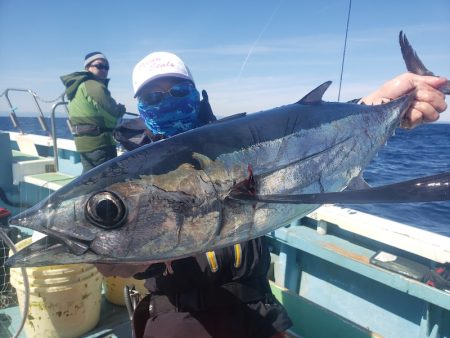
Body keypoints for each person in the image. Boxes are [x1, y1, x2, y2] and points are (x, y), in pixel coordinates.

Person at [97, 51, 447, 338]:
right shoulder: (123, 176)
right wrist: (117, 260)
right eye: (154, 97)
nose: (168, 103)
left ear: (195, 93)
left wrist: (384, 102)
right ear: (140, 106)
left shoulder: (239, 139)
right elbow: (108, 259)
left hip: (257, 305)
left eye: (178, 92)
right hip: (179, 313)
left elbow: (303, 132)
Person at [61, 52, 127, 173]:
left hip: (84, 143)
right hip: (100, 144)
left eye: (106, 67)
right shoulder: (94, 86)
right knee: (105, 179)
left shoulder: (78, 86)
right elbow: (112, 113)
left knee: (90, 177)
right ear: (87, 67)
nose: (104, 70)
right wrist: (121, 109)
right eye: (99, 66)